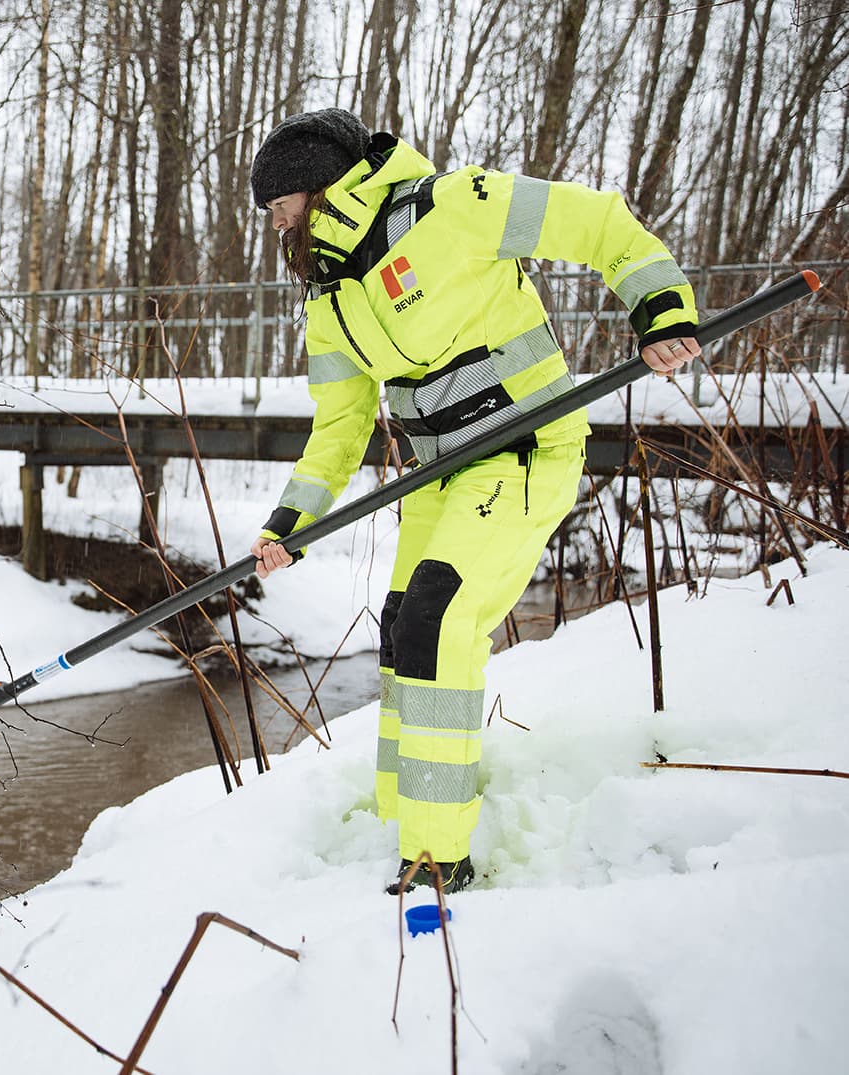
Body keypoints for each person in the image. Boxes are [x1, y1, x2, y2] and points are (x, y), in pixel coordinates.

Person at [246, 108, 701, 896]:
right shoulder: (327, 298)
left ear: (316, 186)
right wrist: (292, 522)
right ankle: (400, 811)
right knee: (400, 629)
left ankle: (435, 858)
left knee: (437, 620)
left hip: (523, 451)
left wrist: (658, 307)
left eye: (279, 203)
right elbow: (339, 427)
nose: (275, 221)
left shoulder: (453, 204)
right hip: (436, 476)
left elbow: (596, 223)